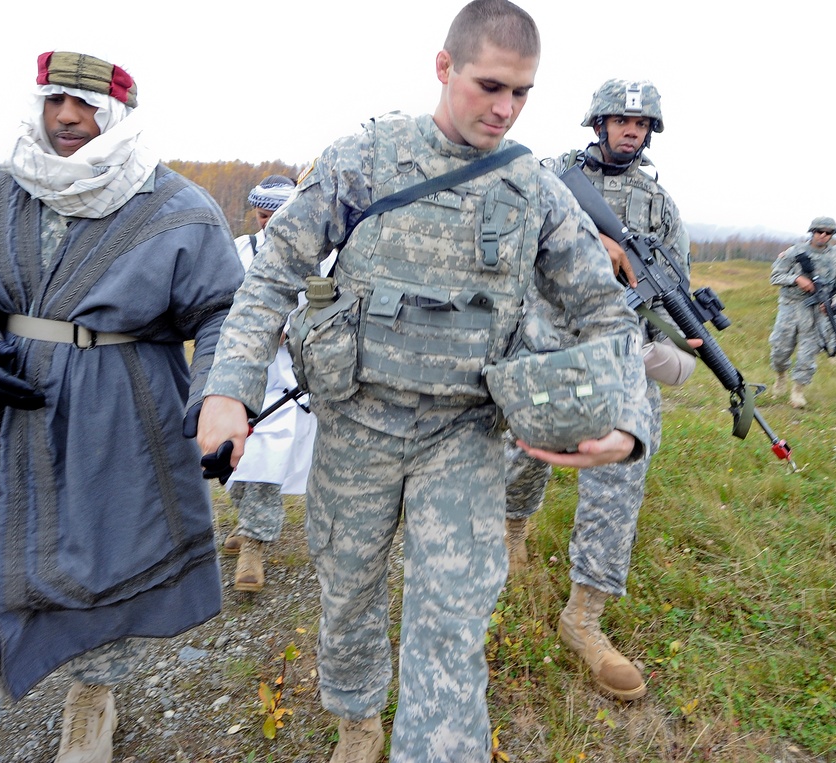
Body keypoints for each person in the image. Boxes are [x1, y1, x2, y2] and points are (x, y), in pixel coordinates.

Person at [195, 2, 652, 760]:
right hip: (356, 426)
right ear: (444, 67)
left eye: (523, 93)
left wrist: (628, 421)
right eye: (489, 86)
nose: (505, 109)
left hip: (464, 436)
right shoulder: (363, 160)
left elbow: (608, 312)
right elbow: (275, 268)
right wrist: (230, 389)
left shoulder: (533, 189)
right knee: (347, 597)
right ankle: (356, 723)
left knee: (451, 620)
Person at [0, 51, 243, 763]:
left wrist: (218, 400)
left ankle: (91, 699)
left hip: (119, 428)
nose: (67, 116)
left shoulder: (177, 210)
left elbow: (226, 312)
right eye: (55, 100)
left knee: (103, 569)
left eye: (86, 104)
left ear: (118, 116)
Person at [504, 78, 697, 701]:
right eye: (620, 120)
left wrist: (680, 333)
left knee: (619, 482)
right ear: (599, 123)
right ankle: (511, 535)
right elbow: (514, 238)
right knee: (517, 458)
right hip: (549, 346)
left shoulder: (660, 205)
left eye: (641, 124)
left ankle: (583, 618)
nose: (631, 130)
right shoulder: (554, 176)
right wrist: (598, 244)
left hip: (622, 358)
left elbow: (672, 281)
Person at [222, 174, 318, 593]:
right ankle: (247, 521)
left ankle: (254, 547)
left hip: (286, 380)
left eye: (275, 216)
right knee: (233, 454)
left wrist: (289, 329)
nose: (267, 224)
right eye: (262, 216)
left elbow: (327, 309)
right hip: (243, 371)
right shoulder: (239, 250)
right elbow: (220, 300)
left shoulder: (316, 256)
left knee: (267, 457)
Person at [769, 216, 836, 407]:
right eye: (819, 231)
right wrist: (796, 279)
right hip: (791, 306)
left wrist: (834, 302)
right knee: (780, 348)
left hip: (817, 310)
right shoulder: (795, 252)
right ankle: (780, 375)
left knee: (808, 352)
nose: (823, 236)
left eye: (828, 233)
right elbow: (775, 276)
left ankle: (798, 391)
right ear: (812, 232)